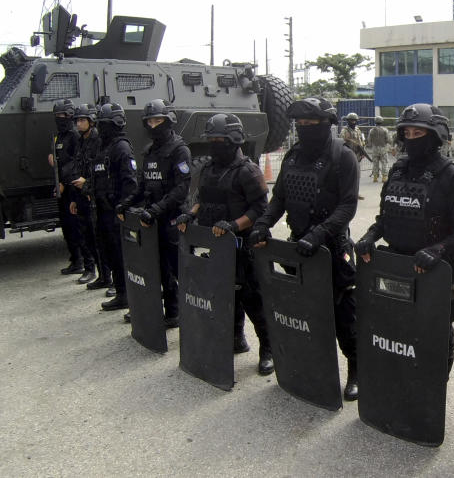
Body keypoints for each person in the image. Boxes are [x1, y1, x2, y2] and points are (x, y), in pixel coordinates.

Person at [249, 97, 360, 400]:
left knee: (342, 315)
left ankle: (356, 369)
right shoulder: (294, 156)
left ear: (327, 125)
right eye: (300, 124)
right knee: (301, 311)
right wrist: (263, 223)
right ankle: (309, 365)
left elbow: (348, 205)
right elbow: (280, 198)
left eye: (311, 124)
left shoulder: (343, 156)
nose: (304, 129)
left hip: (331, 248)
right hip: (298, 247)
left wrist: (320, 233)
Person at [356, 104, 454, 372]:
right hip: (399, 266)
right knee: (398, 328)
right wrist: (370, 236)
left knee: (436, 333)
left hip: (437, 269)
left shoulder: (448, 174)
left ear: (434, 135)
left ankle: (433, 392)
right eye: (406, 132)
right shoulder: (397, 170)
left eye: (417, 132)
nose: (410, 138)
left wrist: (438, 249)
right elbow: (385, 219)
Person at [174, 113, 274, 375]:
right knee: (228, 294)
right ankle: (236, 339)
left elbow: (261, 209)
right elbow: (202, 199)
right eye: (212, 139)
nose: (215, 143)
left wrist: (235, 225)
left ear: (234, 140)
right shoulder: (208, 168)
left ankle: (268, 348)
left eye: (220, 139)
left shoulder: (248, 170)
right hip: (218, 245)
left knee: (252, 298)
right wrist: (191, 213)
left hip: (244, 244)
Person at [115, 99, 191, 327]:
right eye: (149, 121)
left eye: (158, 120)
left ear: (168, 121)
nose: (153, 125)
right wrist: (126, 204)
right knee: (159, 269)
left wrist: (157, 210)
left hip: (171, 218)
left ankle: (192, 313)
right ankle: (172, 312)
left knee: (178, 268)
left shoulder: (179, 149)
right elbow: (142, 186)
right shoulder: (149, 151)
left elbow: (181, 189)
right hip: (152, 219)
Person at [93, 103, 138, 312]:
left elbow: (130, 182)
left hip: (116, 210)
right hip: (103, 209)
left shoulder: (121, 147)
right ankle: (121, 293)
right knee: (110, 252)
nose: (101, 128)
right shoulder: (104, 147)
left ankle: (128, 295)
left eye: (105, 124)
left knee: (122, 256)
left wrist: (123, 209)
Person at [50, 99, 91, 276]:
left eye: (64, 115)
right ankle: (75, 260)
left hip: (73, 187)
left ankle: (84, 262)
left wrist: (63, 182)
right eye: (58, 115)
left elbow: (75, 163)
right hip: (63, 187)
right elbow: (60, 161)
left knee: (77, 227)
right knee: (67, 226)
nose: (61, 118)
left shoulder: (74, 135)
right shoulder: (59, 136)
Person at [68, 103, 104, 286]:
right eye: (77, 120)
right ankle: (91, 270)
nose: (78, 124)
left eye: (82, 120)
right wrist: (74, 198)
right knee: (85, 235)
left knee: (98, 237)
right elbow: (77, 167)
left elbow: (100, 171)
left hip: (93, 194)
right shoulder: (80, 141)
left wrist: (88, 185)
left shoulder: (98, 141)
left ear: (91, 121)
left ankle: (106, 276)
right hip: (81, 194)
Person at [367, 116, 390, 182]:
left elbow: (369, 140)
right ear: (382, 121)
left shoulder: (371, 130)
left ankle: (375, 177)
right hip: (383, 148)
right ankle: (384, 177)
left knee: (375, 163)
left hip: (374, 149)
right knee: (384, 163)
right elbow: (388, 139)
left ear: (375, 122)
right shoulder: (385, 130)